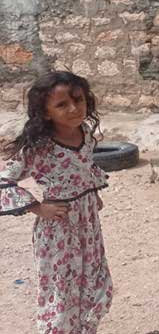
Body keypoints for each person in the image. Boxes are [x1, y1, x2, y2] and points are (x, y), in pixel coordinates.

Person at [0, 71, 113, 334]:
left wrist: (92, 193)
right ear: (46, 112)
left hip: (88, 225)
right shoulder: (40, 146)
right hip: (58, 230)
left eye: (78, 100)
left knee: (95, 284)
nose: (74, 109)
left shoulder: (85, 133)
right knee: (62, 290)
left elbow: (84, 166)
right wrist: (38, 208)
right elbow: (4, 179)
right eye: (62, 104)